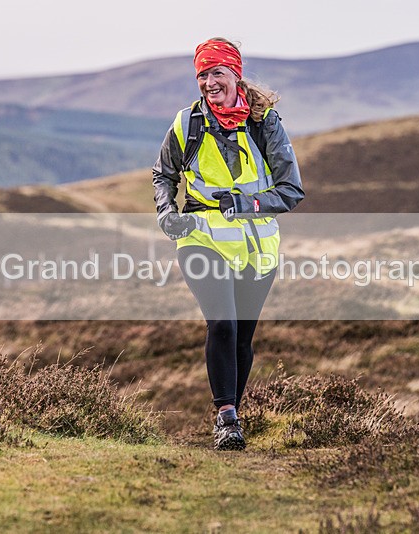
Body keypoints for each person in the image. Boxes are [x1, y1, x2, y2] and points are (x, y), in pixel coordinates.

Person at [152, 37, 304, 450]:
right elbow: (162, 175)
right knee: (222, 323)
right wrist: (167, 213)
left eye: (216, 73)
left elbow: (291, 191)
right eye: (202, 75)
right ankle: (226, 416)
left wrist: (248, 202)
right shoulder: (187, 124)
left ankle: (231, 424)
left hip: (257, 247)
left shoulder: (266, 123)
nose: (208, 82)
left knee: (241, 339)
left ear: (235, 74)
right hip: (201, 238)